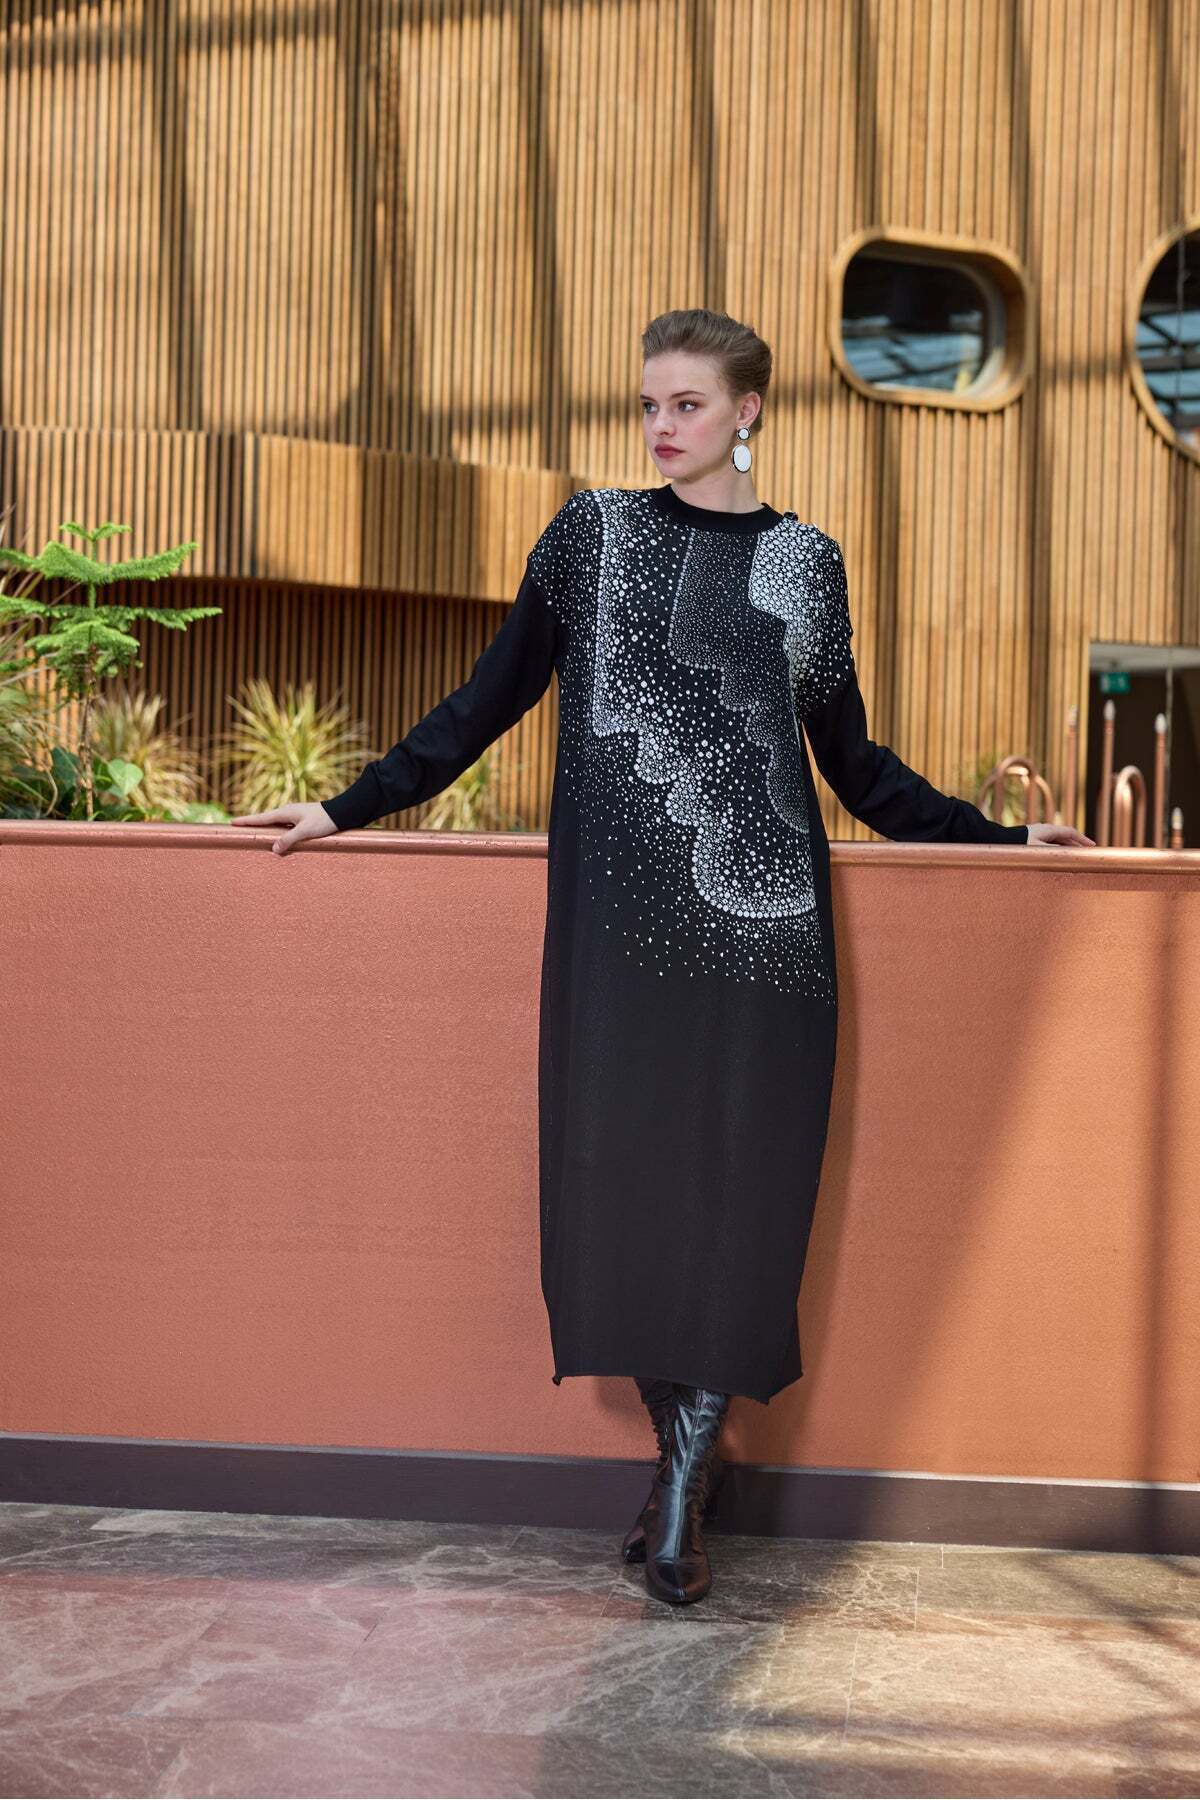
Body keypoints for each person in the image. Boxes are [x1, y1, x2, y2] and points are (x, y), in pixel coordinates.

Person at [232, 306, 1094, 1607]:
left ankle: (683, 1486)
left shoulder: (806, 563)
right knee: (623, 1187)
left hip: (766, 935)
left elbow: (854, 766)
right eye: (648, 404)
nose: (659, 426)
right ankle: (684, 1471)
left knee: (738, 1194)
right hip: (618, 935)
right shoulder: (590, 539)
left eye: (686, 403)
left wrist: (1003, 836)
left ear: (748, 412)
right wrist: (347, 806)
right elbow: (487, 700)